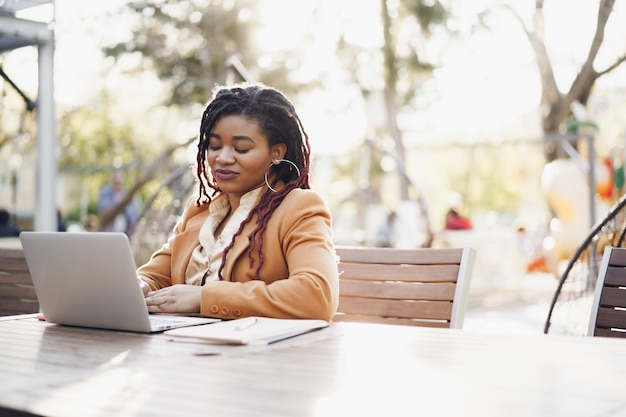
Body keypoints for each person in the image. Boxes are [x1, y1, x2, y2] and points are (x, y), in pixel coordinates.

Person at [136, 84, 339, 321]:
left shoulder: (299, 207)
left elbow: (316, 296)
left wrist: (204, 298)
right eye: (214, 146)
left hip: (259, 353)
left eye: (241, 148)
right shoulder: (200, 210)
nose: (222, 158)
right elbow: (154, 276)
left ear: (277, 153)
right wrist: (138, 286)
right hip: (184, 346)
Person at [98, 169, 140, 234]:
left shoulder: (127, 194)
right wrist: (121, 206)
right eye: (116, 178)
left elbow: (133, 215)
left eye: (120, 179)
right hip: (108, 230)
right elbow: (105, 209)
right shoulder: (105, 192)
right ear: (112, 179)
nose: (118, 181)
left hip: (125, 231)